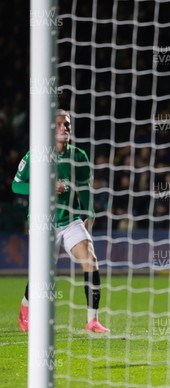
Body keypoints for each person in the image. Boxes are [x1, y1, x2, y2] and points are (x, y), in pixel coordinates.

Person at [13, 109, 110, 333]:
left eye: (66, 124)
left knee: (91, 260)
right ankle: (25, 308)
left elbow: (86, 187)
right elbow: (16, 185)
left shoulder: (79, 156)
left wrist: (89, 213)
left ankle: (92, 320)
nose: (63, 128)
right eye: (57, 124)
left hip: (70, 220)